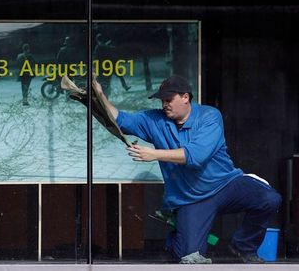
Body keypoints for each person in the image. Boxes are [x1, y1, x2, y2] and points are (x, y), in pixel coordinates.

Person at [94, 74, 281, 264]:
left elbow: (196, 156)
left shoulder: (209, 116)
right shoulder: (154, 120)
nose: (164, 104)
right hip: (190, 198)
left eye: (169, 99)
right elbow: (121, 120)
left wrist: (155, 154)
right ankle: (179, 235)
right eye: (162, 100)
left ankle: (243, 247)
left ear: (185, 97)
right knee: (189, 256)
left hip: (225, 184)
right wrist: (100, 97)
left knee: (269, 199)